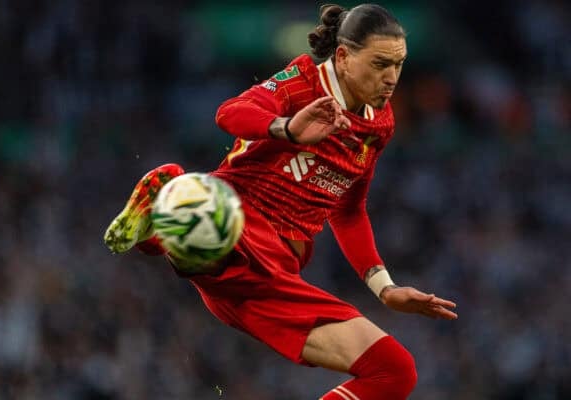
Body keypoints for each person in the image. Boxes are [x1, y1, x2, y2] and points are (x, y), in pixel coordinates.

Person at [104, 4, 458, 399]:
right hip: (244, 228)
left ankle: (166, 217)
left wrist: (385, 288)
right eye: (380, 64)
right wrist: (286, 128)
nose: (391, 77)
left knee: (394, 371)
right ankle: (175, 204)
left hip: (275, 277)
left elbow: (349, 210)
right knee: (217, 241)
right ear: (342, 57)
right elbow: (230, 113)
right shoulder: (305, 81)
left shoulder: (380, 123)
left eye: (398, 64)